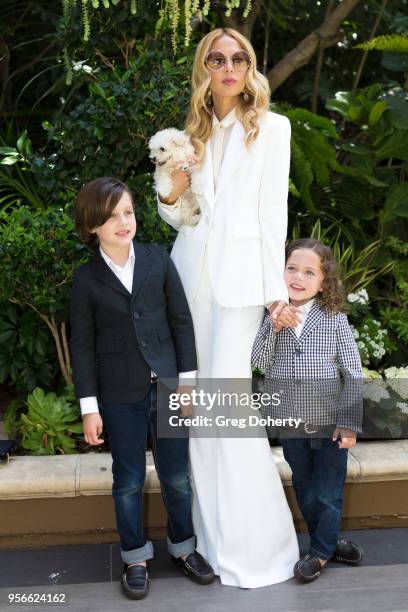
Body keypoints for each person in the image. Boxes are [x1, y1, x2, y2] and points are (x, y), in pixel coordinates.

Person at [157, 28, 300, 588]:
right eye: (217, 58)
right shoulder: (190, 129)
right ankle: (206, 542)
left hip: (242, 285)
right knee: (194, 408)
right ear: (205, 67)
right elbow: (179, 213)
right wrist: (172, 192)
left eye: (238, 58)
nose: (228, 66)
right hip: (190, 275)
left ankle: (256, 546)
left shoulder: (274, 128)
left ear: (250, 65)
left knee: (228, 407)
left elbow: (273, 216)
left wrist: (276, 292)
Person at [69, 177, 214, 601]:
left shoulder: (157, 260)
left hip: (168, 387)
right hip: (118, 396)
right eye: (111, 216)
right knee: (128, 479)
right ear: (92, 225)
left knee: (177, 476)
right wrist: (89, 408)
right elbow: (83, 348)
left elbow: (180, 323)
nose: (123, 222)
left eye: (128, 212)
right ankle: (135, 556)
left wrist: (187, 383)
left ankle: (184, 549)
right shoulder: (86, 280)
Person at [251, 238, 364, 583]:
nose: (298, 278)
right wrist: (274, 326)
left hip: (330, 423)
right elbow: (258, 362)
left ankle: (318, 554)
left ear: (323, 281)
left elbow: (354, 372)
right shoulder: (270, 318)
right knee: (304, 486)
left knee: (328, 491)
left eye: (309, 272)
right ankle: (329, 543)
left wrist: (348, 422)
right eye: (292, 269)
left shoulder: (334, 321)